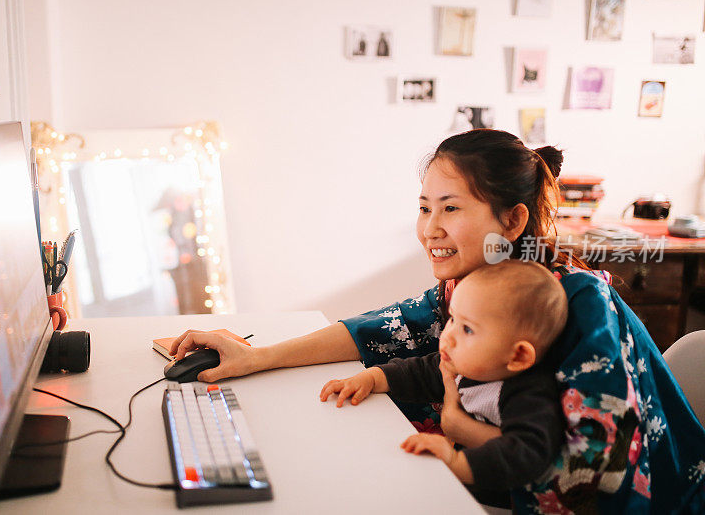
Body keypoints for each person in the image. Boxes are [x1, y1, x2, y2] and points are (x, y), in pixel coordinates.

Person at [166, 129, 705, 513]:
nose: (429, 229)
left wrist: (457, 430)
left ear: (512, 220)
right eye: (425, 208)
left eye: (450, 208)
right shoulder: (469, 288)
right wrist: (256, 357)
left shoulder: (579, 300)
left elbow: (595, 469)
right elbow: (379, 327)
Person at [320, 260, 568, 502]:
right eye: (453, 320)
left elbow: (527, 453)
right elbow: (420, 372)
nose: (448, 337)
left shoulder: (530, 395)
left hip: (494, 500)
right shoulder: (471, 362)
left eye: (468, 329)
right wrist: (372, 378)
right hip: (457, 481)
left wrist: (456, 462)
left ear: (518, 355)